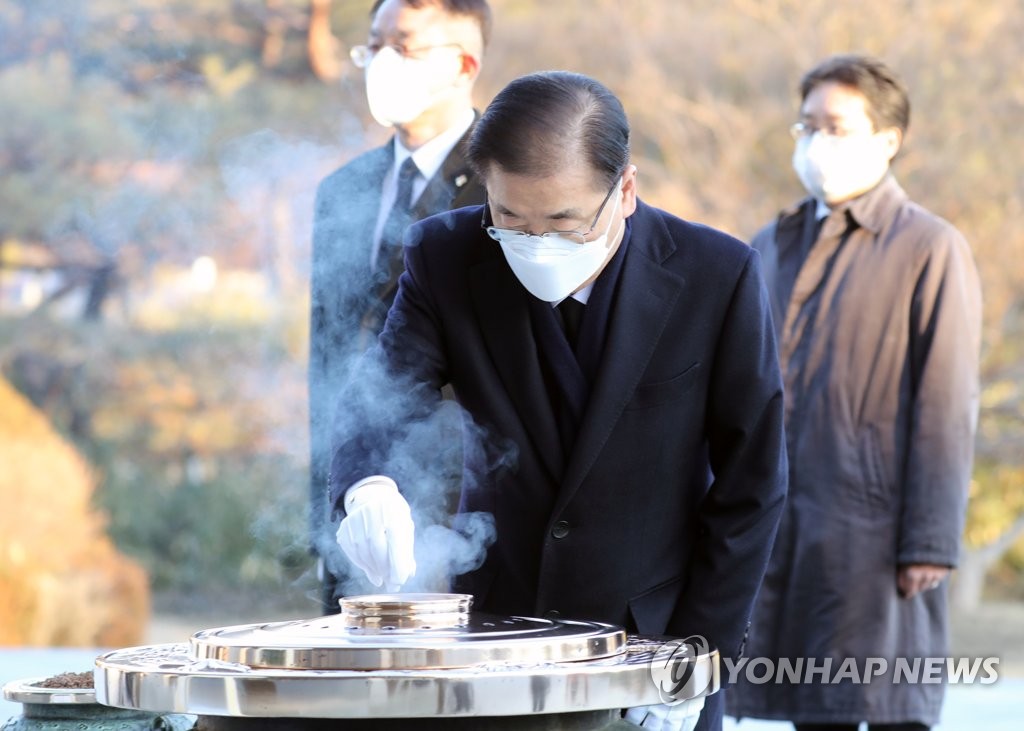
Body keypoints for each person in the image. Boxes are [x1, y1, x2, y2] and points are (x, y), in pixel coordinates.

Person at [327, 70, 788, 731]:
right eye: (510, 217)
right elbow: (382, 395)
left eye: (564, 221)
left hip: (650, 638)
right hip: (492, 638)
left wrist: (697, 655)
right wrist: (368, 485)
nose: (535, 242)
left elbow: (753, 485)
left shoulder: (716, 275)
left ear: (624, 190)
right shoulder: (447, 255)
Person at [727, 55, 982, 731]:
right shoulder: (773, 242)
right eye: (806, 125)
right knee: (815, 709)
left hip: (877, 530)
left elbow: (947, 405)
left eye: (836, 126)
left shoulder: (929, 246)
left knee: (889, 706)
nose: (815, 142)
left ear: (887, 138)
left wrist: (930, 539)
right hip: (788, 523)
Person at [308, 0, 490, 613]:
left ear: (464, 63)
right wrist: (327, 499)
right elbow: (328, 354)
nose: (382, 62)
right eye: (374, 45)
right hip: (352, 494)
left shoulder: (506, 184)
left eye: (404, 47)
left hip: (455, 508)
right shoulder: (343, 188)